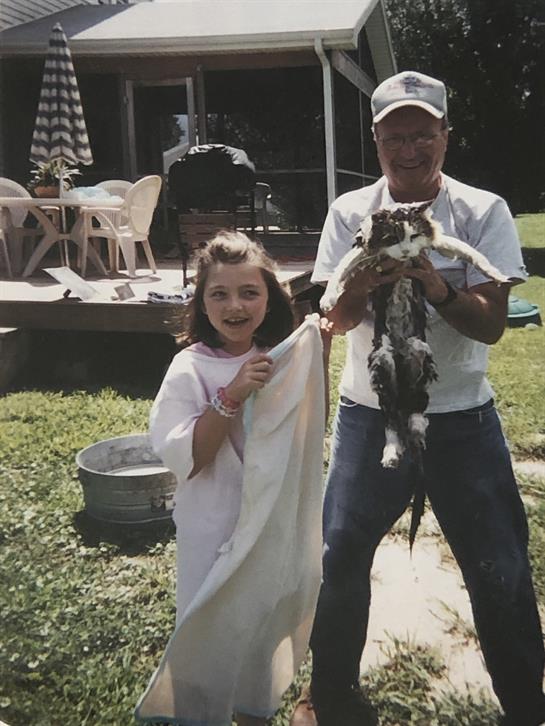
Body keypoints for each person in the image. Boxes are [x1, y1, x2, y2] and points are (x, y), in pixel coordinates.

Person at [290, 71, 545, 726]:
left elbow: (492, 324)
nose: (409, 149)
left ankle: (525, 705)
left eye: (422, 135)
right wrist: (363, 281)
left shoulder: (480, 211)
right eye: (394, 137)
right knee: (338, 554)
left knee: (500, 567)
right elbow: (334, 316)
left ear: (445, 137)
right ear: (376, 141)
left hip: (461, 418)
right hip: (370, 415)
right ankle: (332, 696)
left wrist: (435, 285)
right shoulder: (350, 212)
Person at [136, 232, 328, 726]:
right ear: (201, 303)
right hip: (211, 525)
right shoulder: (189, 367)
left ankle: (252, 714)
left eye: (249, 292)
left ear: (270, 298)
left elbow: (303, 432)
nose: (235, 306)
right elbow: (191, 458)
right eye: (219, 294)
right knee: (210, 626)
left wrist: (315, 352)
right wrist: (232, 395)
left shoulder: (279, 359)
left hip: (266, 526)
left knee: (258, 628)